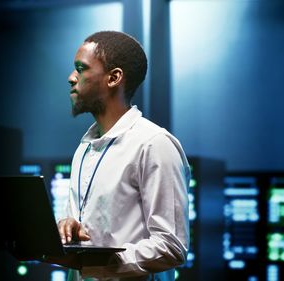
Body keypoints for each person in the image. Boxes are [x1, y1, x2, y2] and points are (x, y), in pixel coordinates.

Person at [54, 31, 191, 281]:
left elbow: (172, 247)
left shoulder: (154, 144)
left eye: (81, 68)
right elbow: (86, 230)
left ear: (114, 78)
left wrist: (101, 262)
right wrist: (67, 229)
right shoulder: (84, 148)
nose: (71, 78)